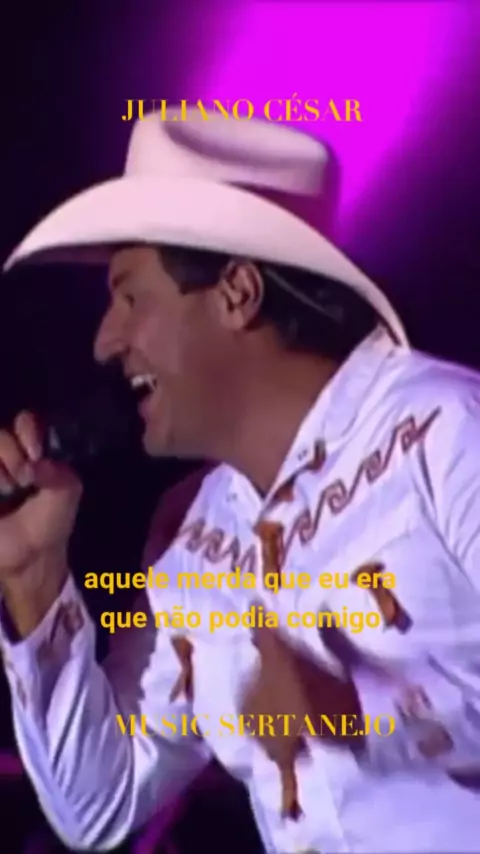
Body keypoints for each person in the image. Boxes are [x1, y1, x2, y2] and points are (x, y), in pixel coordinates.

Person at [1, 107, 480, 854]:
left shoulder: (448, 432)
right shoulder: (191, 532)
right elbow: (100, 801)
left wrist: (363, 713)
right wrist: (34, 581)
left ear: (237, 293)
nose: (105, 341)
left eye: (130, 297)